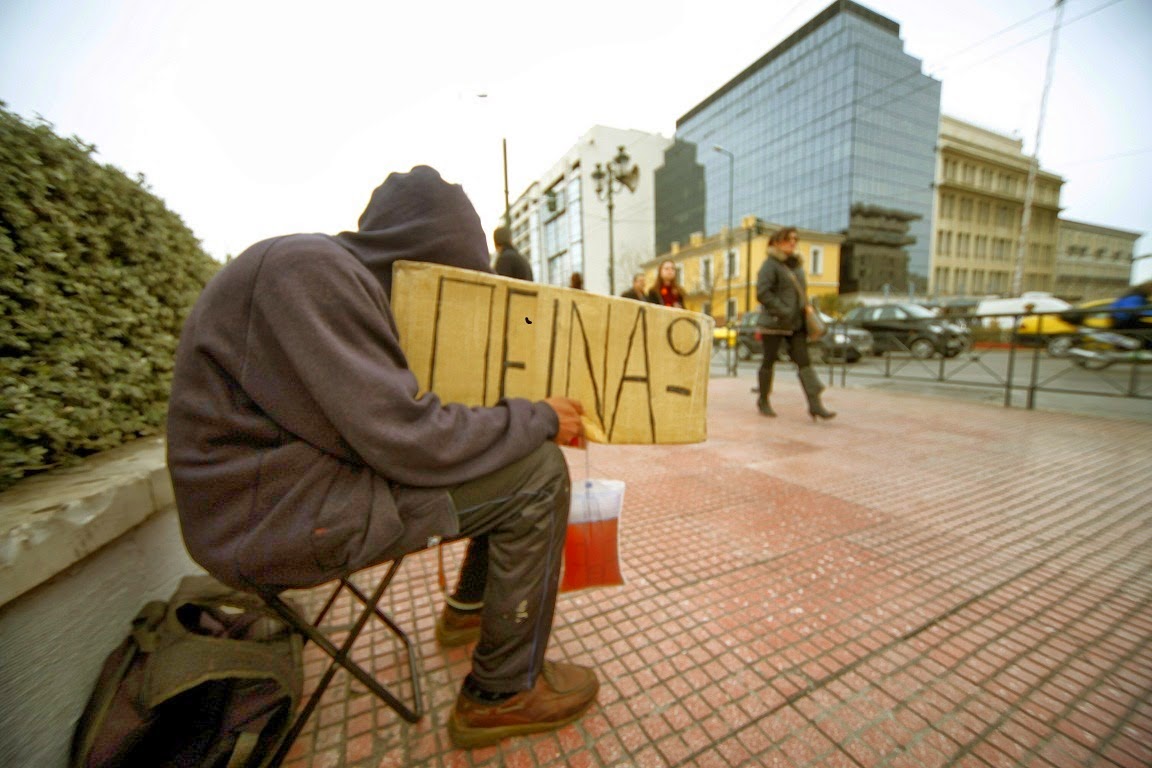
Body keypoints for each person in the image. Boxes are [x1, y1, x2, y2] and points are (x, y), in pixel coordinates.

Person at [165, 165, 599, 749]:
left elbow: (399, 423)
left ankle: (471, 609)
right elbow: (409, 439)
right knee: (538, 473)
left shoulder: (332, 277)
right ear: (427, 259)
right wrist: (539, 418)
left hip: (281, 496)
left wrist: (516, 421)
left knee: (509, 451)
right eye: (461, 279)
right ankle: (500, 695)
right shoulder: (311, 272)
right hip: (274, 520)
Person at [754, 226, 836, 421]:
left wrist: (804, 310)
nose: (792, 242)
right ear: (775, 242)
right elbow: (763, 293)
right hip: (774, 324)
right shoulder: (770, 265)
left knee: (804, 363)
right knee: (768, 361)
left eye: (795, 239)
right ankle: (763, 400)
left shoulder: (797, 266)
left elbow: (800, 294)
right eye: (788, 239)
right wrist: (783, 311)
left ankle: (815, 405)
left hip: (796, 324)